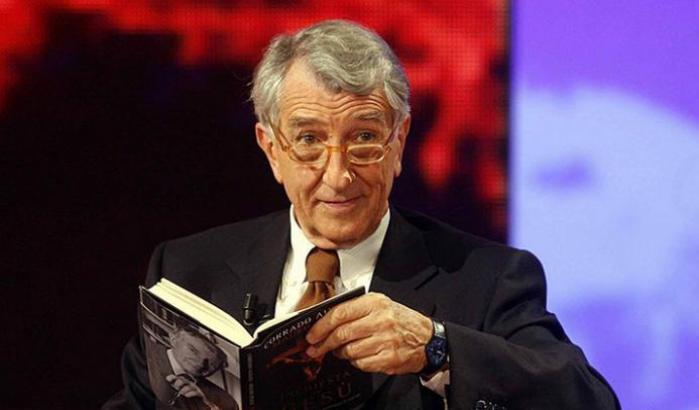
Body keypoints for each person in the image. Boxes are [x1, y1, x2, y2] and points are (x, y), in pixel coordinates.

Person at [104, 20, 619, 409]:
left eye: (365, 138)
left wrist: (436, 348)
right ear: (271, 149)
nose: (338, 175)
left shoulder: (488, 279)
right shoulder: (189, 271)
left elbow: (588, 399)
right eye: (309, 140)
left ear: (400, 141)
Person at [144, 321, 239, 410]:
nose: (200, 362)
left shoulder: (215, 394)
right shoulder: (146, 354)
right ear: (174, 338)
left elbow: (232, 406)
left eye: (211, 364)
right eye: (193, 350)